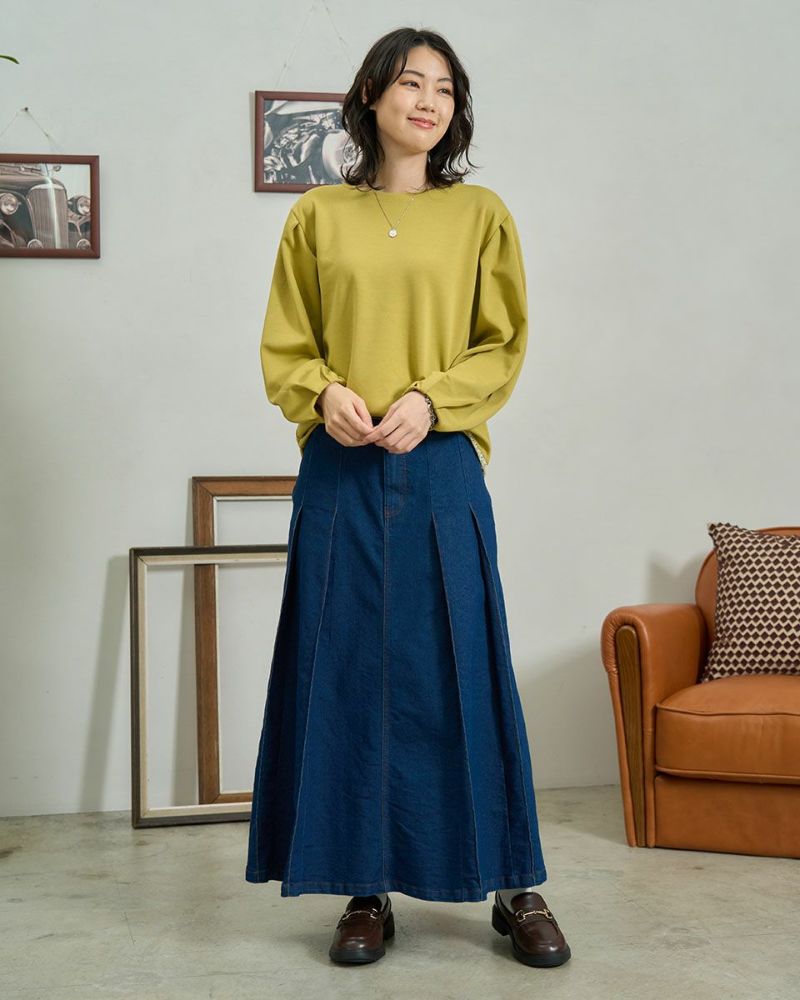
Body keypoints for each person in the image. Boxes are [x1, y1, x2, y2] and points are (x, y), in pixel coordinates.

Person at [245, 26, 571, 970]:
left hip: (440, 467)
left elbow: (501, 343)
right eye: (410, 83)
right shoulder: (317, 216)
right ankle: (364, 888)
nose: (428, 101)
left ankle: (515, 885)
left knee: (466, 667)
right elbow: (288, 345)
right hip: (340, 471)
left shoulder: (480, 215)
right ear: (371, 97)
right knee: (344, 673)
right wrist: (323, 395)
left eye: (444, 89)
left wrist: (433, 400)